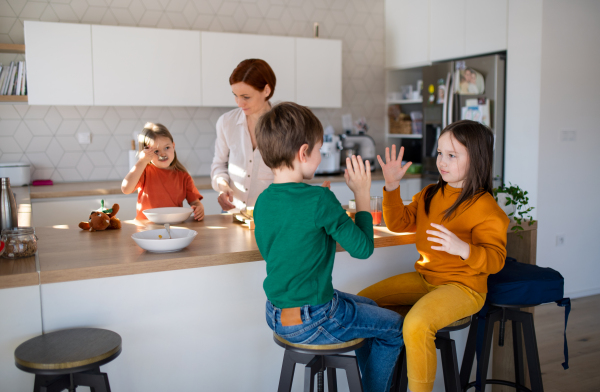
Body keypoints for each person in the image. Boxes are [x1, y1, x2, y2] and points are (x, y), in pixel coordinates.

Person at [254, 102, 404, 392]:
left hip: (275, 313)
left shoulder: (262, 201)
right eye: (319, 150)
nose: (321, 158)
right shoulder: (319, 200)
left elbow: (276, 248)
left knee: (371, 307)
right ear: (303, 153)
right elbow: (362, 249)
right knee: (394, 327)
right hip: (314, 318)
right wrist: (361, 193)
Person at [358, 120, 509, 392]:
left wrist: (463, 249)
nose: (442, 161)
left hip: (465, 288)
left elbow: (496, 260)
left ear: (477, 159)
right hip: (426, 279)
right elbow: (399, 223)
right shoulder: (430, 193)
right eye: (440, 153)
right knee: (361, 305)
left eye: (452, 155)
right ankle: (374, 386)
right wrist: (392, 186)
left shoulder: (486, 207)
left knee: (417, 324)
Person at [210, 58, 276, 212]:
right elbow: (219, 164)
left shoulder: (284, 126)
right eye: (235, 95)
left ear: (267, 90)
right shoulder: (226, 122)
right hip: (233, 213)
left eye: (246, 97)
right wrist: (222, 186)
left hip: (270, 217)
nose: (239, 103)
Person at [121, 122, 205, 221]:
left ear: (173, 146)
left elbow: (195, 202)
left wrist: (199, 208)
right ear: (146, 153)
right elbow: (125, 189)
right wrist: (142, 161)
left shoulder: (183, 176)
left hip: (173, 227)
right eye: (156, 151)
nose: (162, 154)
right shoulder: (144, 172)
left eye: (167, 147)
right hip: (146, 228)